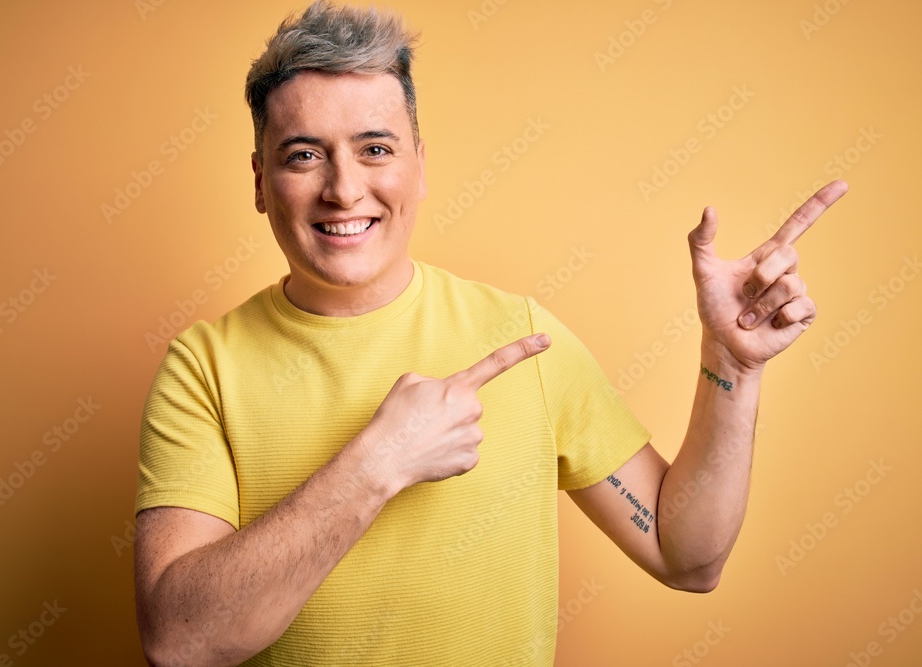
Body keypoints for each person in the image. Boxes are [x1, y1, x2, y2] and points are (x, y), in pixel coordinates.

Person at [132, 2, 847, 665]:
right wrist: (378, 462)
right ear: (261, 182)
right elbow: (179, 640)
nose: (344, 189)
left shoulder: (521, 340)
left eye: (375, 149)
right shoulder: (203, 368)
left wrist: (731, 365)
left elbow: (685, 554)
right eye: (303, 155)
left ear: (419, 165)